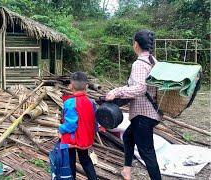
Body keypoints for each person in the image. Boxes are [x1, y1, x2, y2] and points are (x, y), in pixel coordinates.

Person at [105, 29, 162, 180]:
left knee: (147, 152)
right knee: (128, 137)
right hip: (153, 112)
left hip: (143, 115)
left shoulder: (139, 64)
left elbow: (140, 88)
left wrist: (116, 92)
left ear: (136, 44)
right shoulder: (154, 61)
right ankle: (127, 170)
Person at [59, 71, 97, 180]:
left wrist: (60, 129)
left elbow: (70, 125)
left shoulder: (69, 103)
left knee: (70, 161)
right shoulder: (91, 102)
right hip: (85, 138)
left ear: (71, 86)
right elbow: (94, 122)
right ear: (86, 86)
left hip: (72, 138)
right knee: (85, 159)